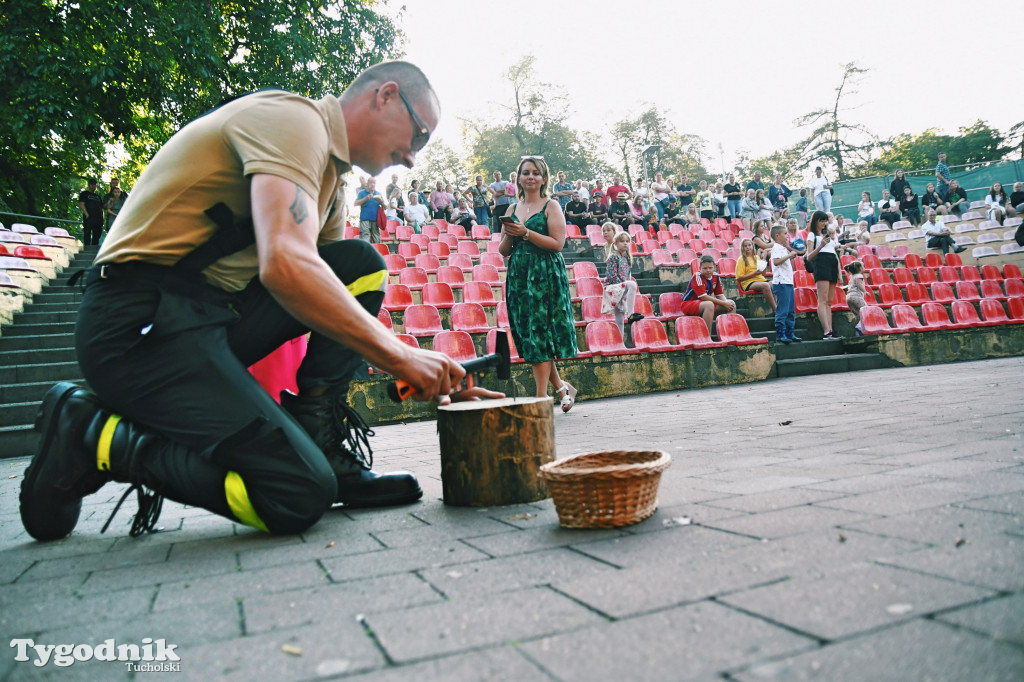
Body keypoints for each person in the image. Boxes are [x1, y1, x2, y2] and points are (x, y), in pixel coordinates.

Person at [19, 61, 507, 544]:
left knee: (357, 263)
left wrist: (433, 371)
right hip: (136, 324)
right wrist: (402, 356)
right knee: (296, 495)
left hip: (208, 319)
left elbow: (328, 298)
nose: (414, 157)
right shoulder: (294, 121)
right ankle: (93, 434)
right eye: (419, 135)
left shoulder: (332, 181)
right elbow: (286, 266)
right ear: (385, 96)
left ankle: (319, 437)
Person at [498, 156, 579, 412]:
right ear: (518, 178)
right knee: (532, 336)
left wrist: (526, 233)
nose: (530, 177)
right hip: (520, 275)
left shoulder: (551, 205)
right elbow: (503, 250)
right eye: (525, 173)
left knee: (540, 333)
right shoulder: (511, 209)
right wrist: (511, 235)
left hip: (545, 273)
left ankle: (540, 400)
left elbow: (557, 244)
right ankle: (562, 389)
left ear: (543, 178)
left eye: (535, 173)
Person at [804, 210, 840, 338]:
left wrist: (839, 272)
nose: (824, 223)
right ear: (816, 221)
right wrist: (820, 246)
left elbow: (834, 254)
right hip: (821, 264)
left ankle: (830, 328)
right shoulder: (812, 235)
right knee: (823, 300)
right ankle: (826, 330)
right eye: (821, 220)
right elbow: (809, 257)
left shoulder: (826, 235)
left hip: (832, 264)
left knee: (829, 301)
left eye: (825, 220)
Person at [603, 230, 645, 338]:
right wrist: (623, 286)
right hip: (613, 287)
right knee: (632, 285)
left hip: (620, 287)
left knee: (620, 319)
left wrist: (624, 290)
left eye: (627, 241)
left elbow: (626, 276)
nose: (625, 243)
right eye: (622, 241)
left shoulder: (626, 258)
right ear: (615, 243)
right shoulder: (613, 257)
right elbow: (611, 276)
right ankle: (631, 314)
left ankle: (620, 342)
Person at [681, 255, 736, 333]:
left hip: (703, 304)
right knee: (709, 304)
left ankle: (729, 334)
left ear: (714, 267)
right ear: (700, 268)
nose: (708, 270)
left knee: (731, 304)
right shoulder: (697, 276)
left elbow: (720, 294)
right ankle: (707, 336)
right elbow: (703, 297)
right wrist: (724, 303)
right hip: (688, 304)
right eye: (705, 268)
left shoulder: (716, 276)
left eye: (710, 268)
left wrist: (726, 303)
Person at [770, 224, 801, 344]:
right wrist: (789, 255)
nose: (787, 236)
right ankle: (781, 333)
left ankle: (790, 332)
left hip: (788, 282)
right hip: (781, 282)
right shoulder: (776, 247)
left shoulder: (782, 248)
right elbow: (776, 262)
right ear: (777, 236)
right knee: (782, 309)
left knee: (790, 310)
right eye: (784, 234)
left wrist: (789, 254)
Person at [735, 238, 776, 312]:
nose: (748, 247)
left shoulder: (756, 257)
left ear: (752, 246)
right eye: (745, 246)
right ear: (742, 248)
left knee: (775, 283)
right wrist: (754, 273)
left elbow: (763, 274)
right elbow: (739, 278)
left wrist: (764, 265)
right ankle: (775, 309)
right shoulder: (741, 259)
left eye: (749, 245)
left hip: (760, 279)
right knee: (765, 285)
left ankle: (773, 309)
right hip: (748, 282)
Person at [354, 176, 384, 242]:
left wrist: (381, 202)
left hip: (375, 220)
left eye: (374, 183)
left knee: (376, 239)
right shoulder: (361, 193)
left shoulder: (378, 194)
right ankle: (365, 252)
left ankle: (376, 252)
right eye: (371, 182)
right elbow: (355, 203)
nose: (373, 184)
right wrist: (366, 198)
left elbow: (385, 207)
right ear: (367, 184)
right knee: (365, 239)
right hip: (364, 219)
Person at [843, 260, 867, 336]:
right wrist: (865, 291)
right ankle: (861, 329)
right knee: (865, 311)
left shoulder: (852, 276)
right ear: (859, 268)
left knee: (858, 315)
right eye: (863, 266)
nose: (864, 267)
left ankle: (858, 331)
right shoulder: (859, 276)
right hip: (856, 297)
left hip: (849, 298)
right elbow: (859, 284)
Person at [79, 178, 105, 246]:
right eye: (92, 184)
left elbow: (102, 207)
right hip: (89, 217)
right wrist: (86, 214)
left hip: (98, 218)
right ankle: (87, 247)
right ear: (88, 185)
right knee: (87, 232)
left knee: (97, 234)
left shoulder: (98, 196)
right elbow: (82, 204)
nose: (93, 186)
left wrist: (102, 218)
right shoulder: (84, 194)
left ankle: (94, 247)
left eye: (95, 185)